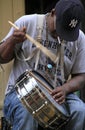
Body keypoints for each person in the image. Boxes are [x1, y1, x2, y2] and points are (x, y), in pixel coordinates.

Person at [0, 0, 85, 130]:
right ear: (53, 13)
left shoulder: (79, 38)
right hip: (19, 92)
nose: (61, 36)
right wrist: (12, 41)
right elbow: (1, 57)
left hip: (57, 92)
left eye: (67, 33)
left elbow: (81, 76)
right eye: (60, 30)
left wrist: (65, 89)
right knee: (27, 112)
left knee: (80, 110)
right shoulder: (27, 22)